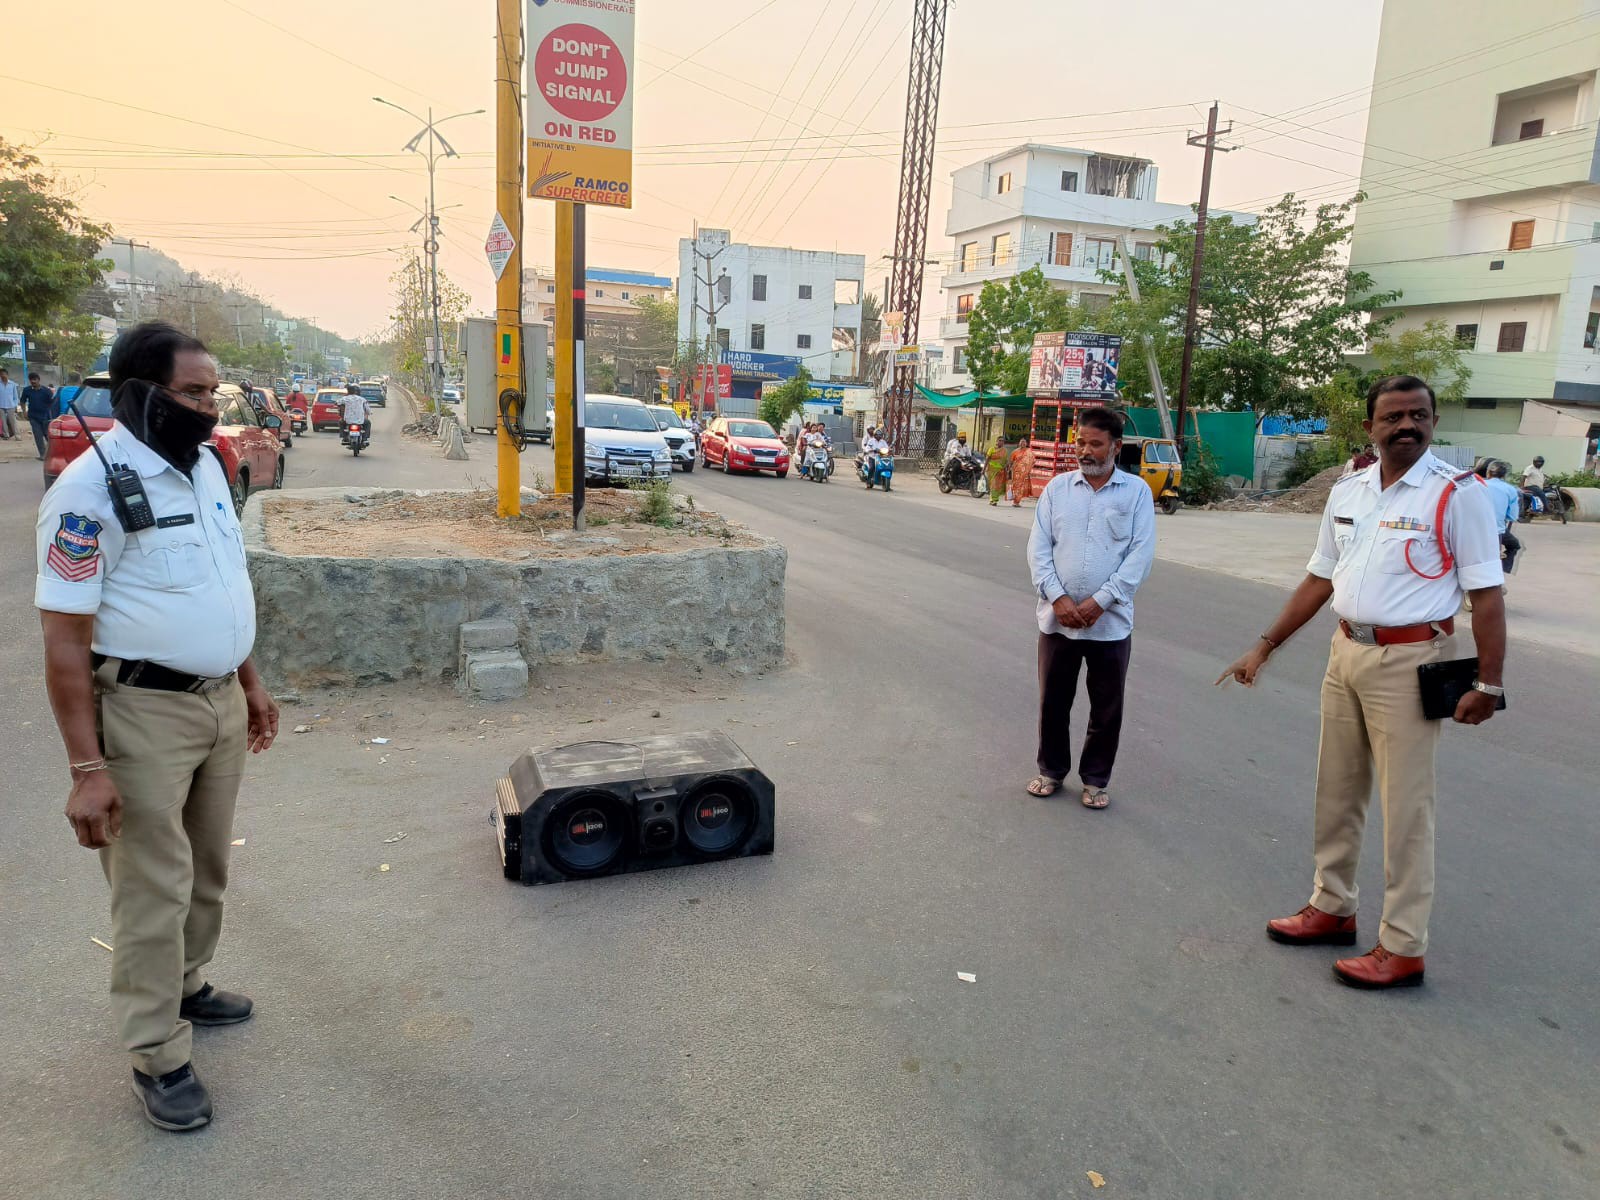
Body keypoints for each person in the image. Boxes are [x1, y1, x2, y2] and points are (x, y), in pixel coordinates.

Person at [35, 321, 279, 1131]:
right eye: (194, 392)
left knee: (206, 866)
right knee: (151, 888)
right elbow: (64, 642)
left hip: (218, 702)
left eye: (215, 392)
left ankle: (186, 984)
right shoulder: (87, 494)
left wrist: (248, 681)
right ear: (141, 393)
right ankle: (157, 1056)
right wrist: (86, 769)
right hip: (142, 711)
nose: (210, 407)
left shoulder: (206, 466)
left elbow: (221, 581)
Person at [1217, 375, 1506, 991]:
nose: (1407, 426)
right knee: (1337, 790)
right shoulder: (1348, 490)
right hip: (1345, 650)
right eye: (1393, 416)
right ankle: (1332, 907)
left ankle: (1402, 946)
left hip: (1411, 660)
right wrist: (1264, 646)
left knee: (1406, 810)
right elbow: (1320, 577)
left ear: (1433, 422)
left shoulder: (1458, 495)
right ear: (1370, 426)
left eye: (1419, 415)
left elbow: (1486, 595)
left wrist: (1490, 683)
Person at [1025, 407, 1156, 810]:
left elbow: (1140, 556)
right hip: (1057, 620)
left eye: (1095, 444)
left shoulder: (1136, 493)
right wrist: (1058, 598)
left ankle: (1095, 780)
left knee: (1107, 708)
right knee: (1053, 703)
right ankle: (1051, 771)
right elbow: (1038, 549)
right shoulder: (1057, 490)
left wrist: (1102, 601)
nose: (1085, 450)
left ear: (1116, 446)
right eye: (1080, 442)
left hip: (1110, 624)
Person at [1484, 460, 1522, 575]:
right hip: (1496, 530)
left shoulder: (1477, 485)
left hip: (1471, 529)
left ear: (1488, 473)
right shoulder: (1510, 490)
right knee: (1514, 545)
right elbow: (1512, 516)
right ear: (1504, 476)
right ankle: (1503, 570)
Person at [22, 371, 57, 459]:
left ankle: (54, 453)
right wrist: (24, 412)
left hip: (45, 417)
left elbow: (53, 402)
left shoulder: (47, 391)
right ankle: (43, 455)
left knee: (47, 435)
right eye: (31, 380)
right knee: (38, 436)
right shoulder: (27, 390)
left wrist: (52, 415)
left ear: (38, 380)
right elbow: (22, 401)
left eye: (34, 379)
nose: (33, 381)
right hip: (33, 416)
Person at [1009, 435, 1036, 508]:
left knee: (1021, 487)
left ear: (1026, 444)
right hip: (1016, 472)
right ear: (1019, 443)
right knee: (1016, 486)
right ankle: (1015, 501)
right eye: (1021, 442)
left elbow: (1033, 461)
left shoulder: (1029, 452)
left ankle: (1017, 501)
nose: (1022, 444)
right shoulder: (1015, 452)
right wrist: (1009, 469)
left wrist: (1028, 468)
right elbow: (1011, 461)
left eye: (1024, 442)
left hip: (1024, 473)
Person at [984, 434, 1010, 506]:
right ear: (996, 441)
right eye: (1000, 441)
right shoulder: (991, 449)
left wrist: (1008, 469)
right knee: (993, 485)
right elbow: (987, 459)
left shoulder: (1004, 450)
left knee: (996, 486)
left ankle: (993, 500)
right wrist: (983, 469)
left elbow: (1006, 461)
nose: (1001, 442)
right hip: (991, 470)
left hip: (1000, 471)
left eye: (1002, 441)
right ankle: (993, 499)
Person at [0, 366, 18, 439]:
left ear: (7, 375)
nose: (2, 375)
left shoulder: (12, 384)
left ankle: (17, 435)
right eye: (1, 374)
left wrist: (15, 405)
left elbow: (15, 396)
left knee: (13, 421)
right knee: (3, 422)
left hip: (11, 406)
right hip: (1, 406)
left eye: (3, 374)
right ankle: (6, 435)